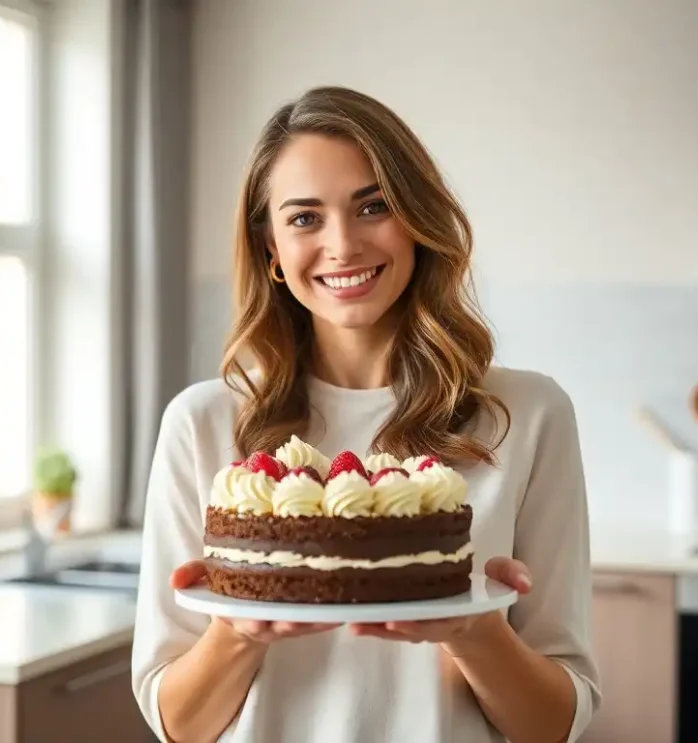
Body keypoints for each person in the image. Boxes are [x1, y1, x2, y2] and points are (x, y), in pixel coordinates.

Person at [131, 85, 600, 743]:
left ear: (417, 219)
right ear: (270, 249)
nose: (343, 245)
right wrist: (238, 633)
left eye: (373, 206)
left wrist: (477, 632)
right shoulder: (202, 423)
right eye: (304, 218)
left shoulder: (527, 415)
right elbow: (178, 725)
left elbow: (553, 724)